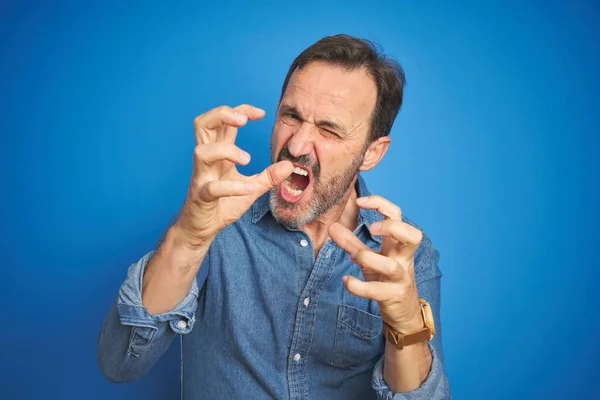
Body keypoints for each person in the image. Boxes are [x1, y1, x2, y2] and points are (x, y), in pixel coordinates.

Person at [97, 34, 451, 399]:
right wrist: (189, 237)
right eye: (290, 116)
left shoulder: (404, 255)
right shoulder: (217, 216)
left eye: (329, 130)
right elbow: (119, 362)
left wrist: (407, 324)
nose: (296, 146)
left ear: (371, 153)